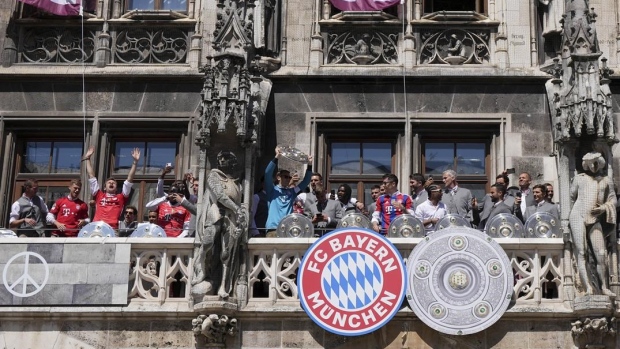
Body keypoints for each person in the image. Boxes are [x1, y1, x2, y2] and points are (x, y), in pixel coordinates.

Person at [570, 152, 616, 296]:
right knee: (582, 251)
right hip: (578, 215)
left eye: (596, 162)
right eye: (591, 162)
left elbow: (613, 199)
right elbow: (571, 197)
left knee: (601, 253)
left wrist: (603, 208)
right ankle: (588, 287)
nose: (594, 165)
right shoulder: (579, 178)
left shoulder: (606, 180)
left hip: (595, 219)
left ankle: (603, 287)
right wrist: (566, 223)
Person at [84, 146, 140, 229]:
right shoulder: (99, 195)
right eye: (109, 183)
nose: (111, 184)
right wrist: (87, 159)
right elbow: (91, 176)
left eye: (113, 183)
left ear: (116, 188)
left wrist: (135, 162)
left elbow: (129, 179)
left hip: (113, 228)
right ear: (104, 188)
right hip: (97, 227)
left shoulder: (121, 197)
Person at [264, 147, 313, 236]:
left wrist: (309, 165)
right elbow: (267, 173)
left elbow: (305, 182)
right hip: (273, 228)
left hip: (287, 229)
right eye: (285, 177)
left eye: (289, 177)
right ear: (279, 177)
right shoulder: (272, 190)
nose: (288, 179)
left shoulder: (292, 192)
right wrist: (276, 157)